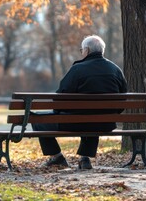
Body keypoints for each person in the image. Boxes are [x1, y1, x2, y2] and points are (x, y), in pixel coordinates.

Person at [32, 35, 127, 169]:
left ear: (87, 50)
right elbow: (123, 99)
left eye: (81, 50)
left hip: (74, 123)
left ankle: (57, 157)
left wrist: (57, 113)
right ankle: (85, 159)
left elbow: (60, 97)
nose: (81, 52)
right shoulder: (115, 70)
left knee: (37, 120)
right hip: (105, 123)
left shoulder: (77, 69)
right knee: (93, 117)